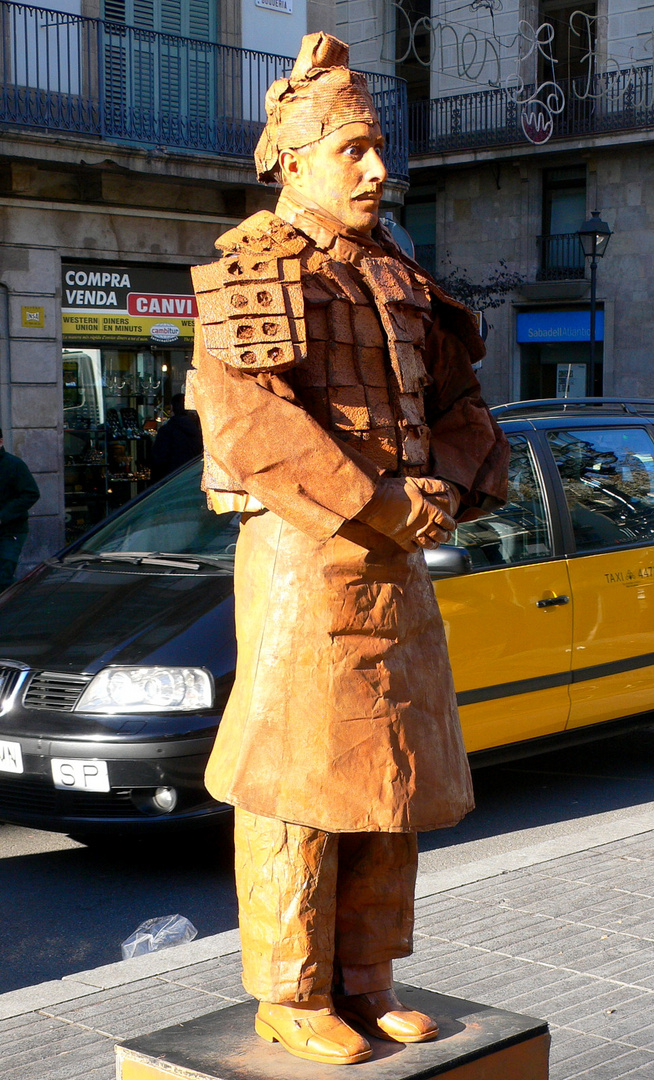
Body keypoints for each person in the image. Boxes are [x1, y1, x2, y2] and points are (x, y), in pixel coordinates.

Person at [189, 33, 509, 1067]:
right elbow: (249, 422)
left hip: (400, 559)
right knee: (298, 783)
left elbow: (465, 410)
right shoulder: (252, 268)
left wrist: (444, 492)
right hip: (304, 562)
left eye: (380, 151)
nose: (379, 171)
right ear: (295, 158)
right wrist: (375, 500)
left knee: (390, 779)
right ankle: (290, 991)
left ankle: (368, 979)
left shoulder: (398, 273)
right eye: (356, 150)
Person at [0, 427, 40, 591]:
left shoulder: (14, 465)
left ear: (1, 442)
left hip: (11, 531)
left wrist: (3, 516)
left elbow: (31, 494)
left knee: (3, 574)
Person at [150, 393, 203, 483]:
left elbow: (159, 459)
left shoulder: (167, 430)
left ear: (172, 408)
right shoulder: (196, 431)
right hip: (191, 478)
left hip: (171, 480)